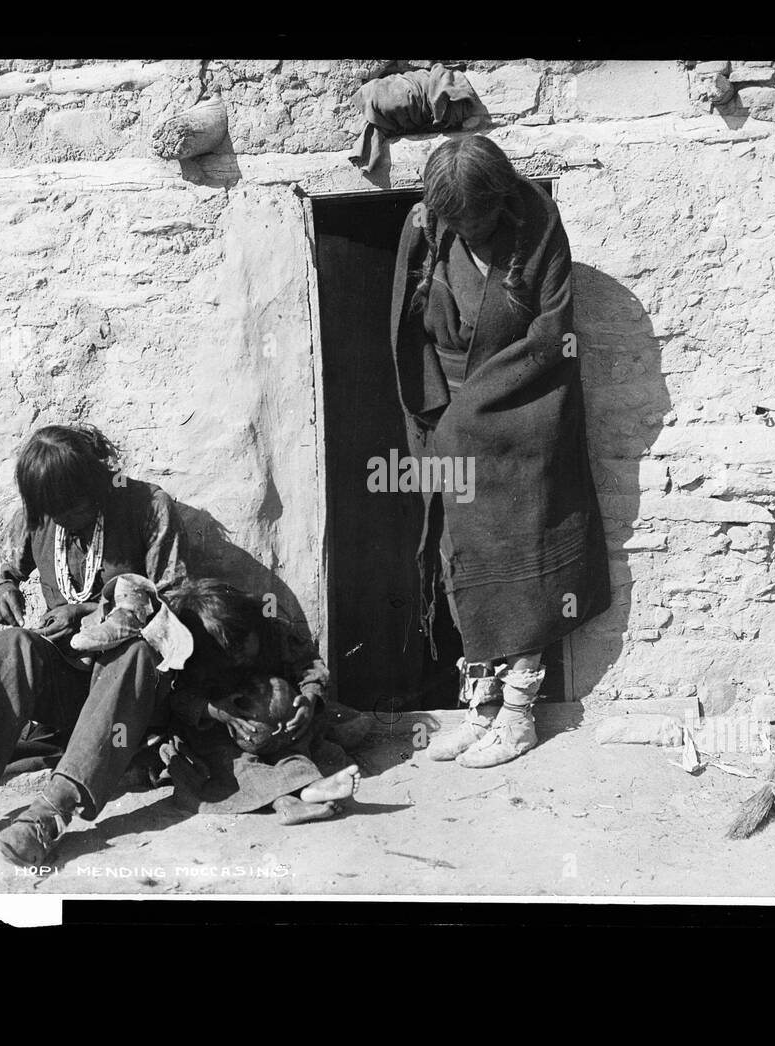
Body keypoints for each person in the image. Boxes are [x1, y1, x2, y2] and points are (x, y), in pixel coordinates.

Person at [390, 135, 611, 768]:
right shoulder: (425, 228)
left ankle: (518, 717)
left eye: (479, 217)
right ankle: (481, 711)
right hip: (454, 423)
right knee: (462, 557)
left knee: (524, 557)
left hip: (524, 420)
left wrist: (478, 414)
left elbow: (552, 333)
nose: (470, 230)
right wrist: (438, 417)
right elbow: (407, 333)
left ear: (501, 198)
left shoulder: (538, 225)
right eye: (457, 221)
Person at [0, 423, 189, 865]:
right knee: (12, 643)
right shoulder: (39, 515)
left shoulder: (148, 507)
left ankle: (49, 815)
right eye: (56, 510)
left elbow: (177, 602)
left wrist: (89, 612)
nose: (66, 517)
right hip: (71, 695)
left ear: (97, 480)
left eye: (76, 505)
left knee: (135, 652)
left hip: (133, 699)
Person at [164, 580, 360, 825]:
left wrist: (309, 698)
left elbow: (308, 665)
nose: (239, 658)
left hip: (278, 727)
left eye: (242, 645)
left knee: (299, 746)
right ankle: (286, 802)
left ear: (251, 622)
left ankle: (309, 787)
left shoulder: (274, 633)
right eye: (228, 654)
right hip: (221, 732)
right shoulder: (197, 657)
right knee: (236, 765)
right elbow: (179, 698)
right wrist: (215, 711)